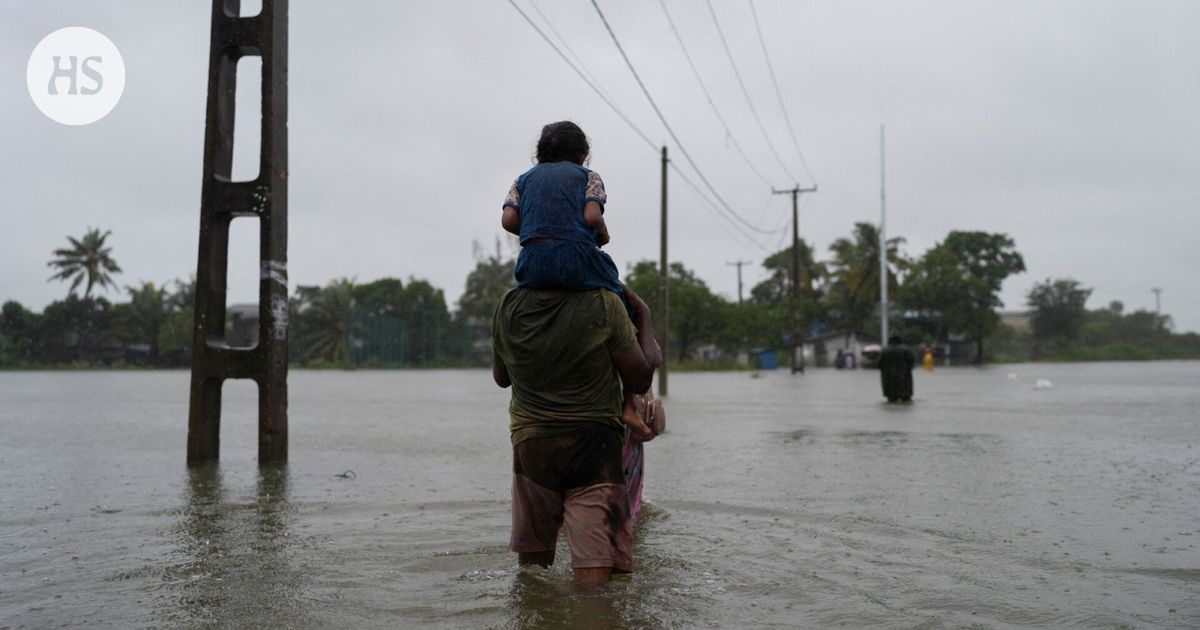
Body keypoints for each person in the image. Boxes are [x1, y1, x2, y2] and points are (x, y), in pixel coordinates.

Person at [491, 283, 661, 587]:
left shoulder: (511, 304)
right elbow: (642, 375)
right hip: (594, 447)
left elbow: (501, 377)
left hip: (532, 443)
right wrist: (644, 317)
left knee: (533, 573)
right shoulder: (606, 306)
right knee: (595, 582)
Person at [500, 121, 648, 438]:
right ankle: (630, 405)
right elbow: (592, 218)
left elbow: (509, 219)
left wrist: (535, 232)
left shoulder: (522, 180)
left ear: (542, 154)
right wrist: (602, 235)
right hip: (577, 260)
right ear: (583, 155)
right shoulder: (588, 177)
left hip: (532, 265)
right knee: (622, 306)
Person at [878, 335, 916, 402]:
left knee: (891, 400)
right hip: (905, 379)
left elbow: (878, 364)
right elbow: (912, 362)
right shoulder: (906, 349)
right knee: (906, 401)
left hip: (889, 380)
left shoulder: (885, 350)